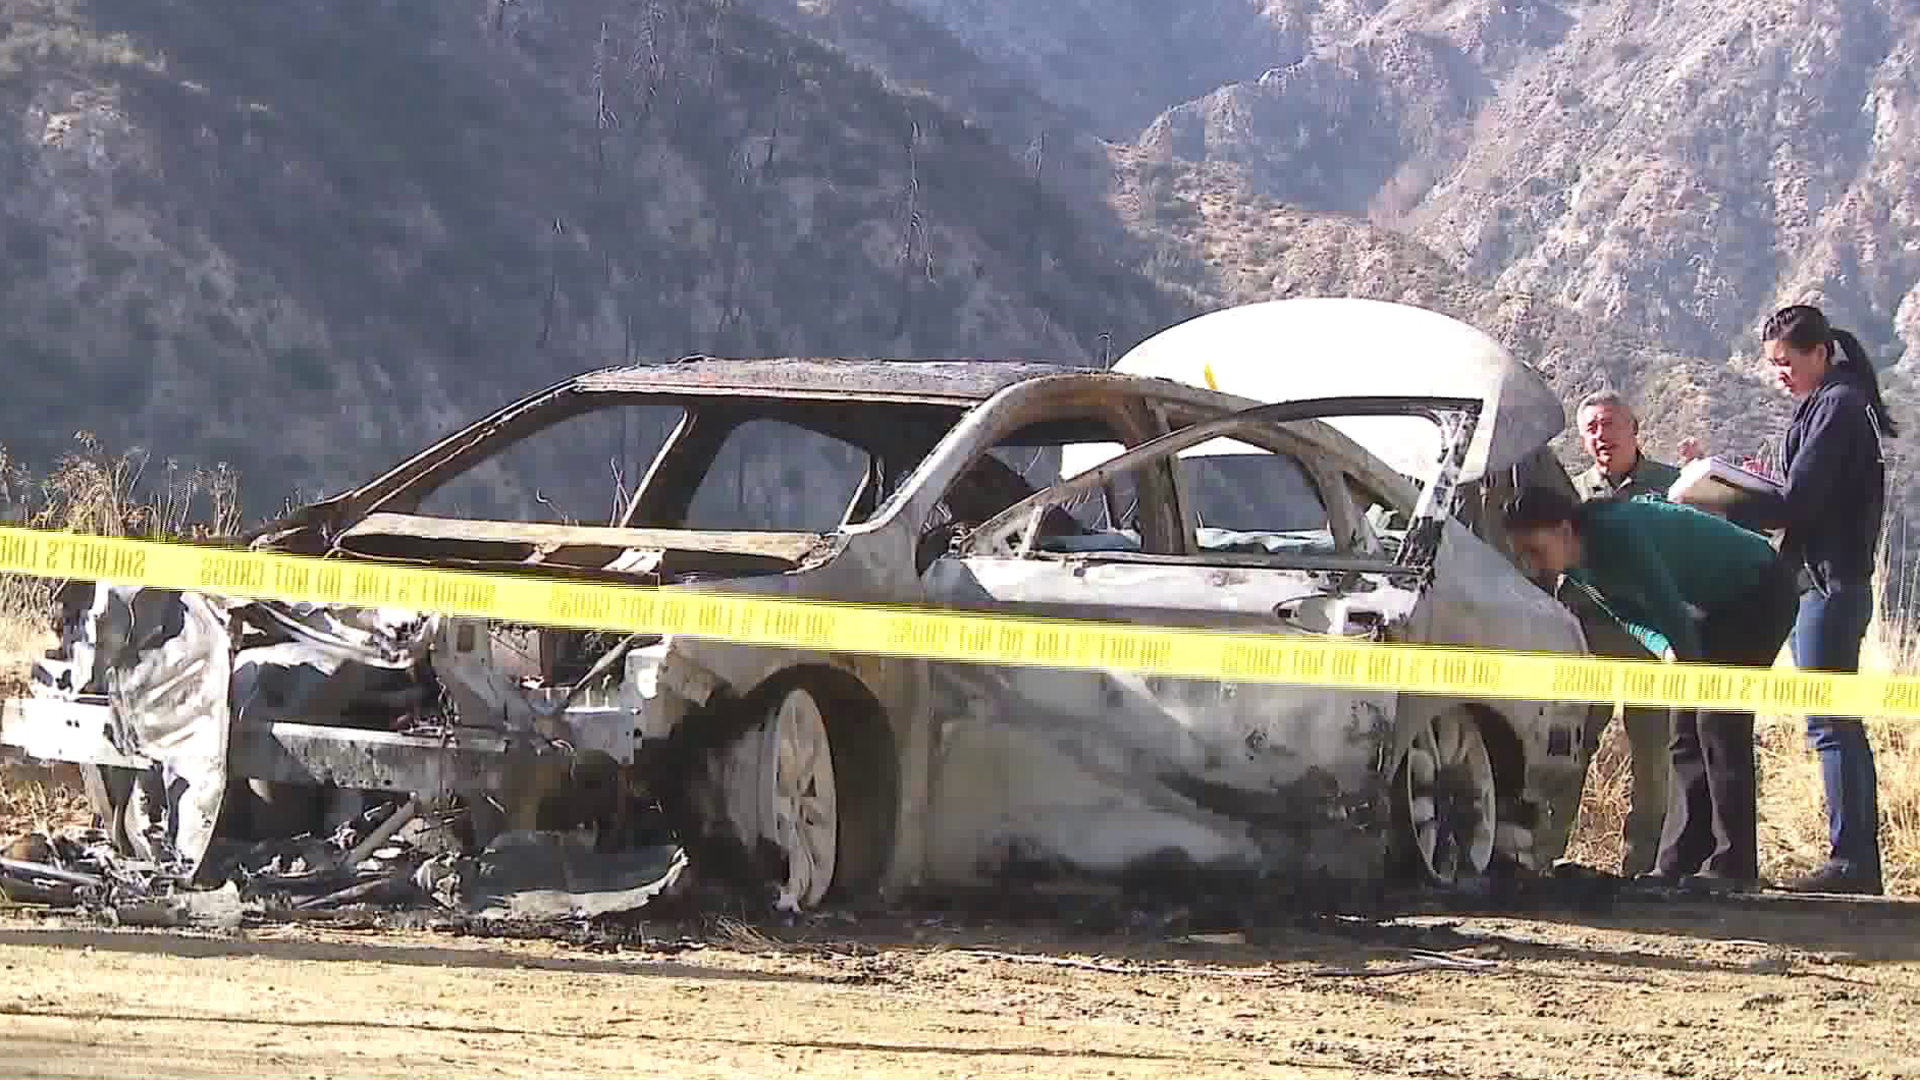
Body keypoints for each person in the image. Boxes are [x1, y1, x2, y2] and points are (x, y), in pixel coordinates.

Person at [1679, 304, 1895, 895]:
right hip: (1816, 580)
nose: (1780, 373)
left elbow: (1797, 501)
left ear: (1819, 354)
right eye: (1772, 365)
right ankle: (1848, 857)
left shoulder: (1837, 408)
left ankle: (1851, 862)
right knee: (1826, 719)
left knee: (1831, 721)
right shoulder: (1826, 407)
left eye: (1787, 362)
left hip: (1830, 581)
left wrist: (1727, 496)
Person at [1501, 485, 1800, 889]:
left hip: (1761, 590)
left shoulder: (1617, 531)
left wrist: (1688, 661)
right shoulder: (1576, 568)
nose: (1531, 562)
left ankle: (1735, 865)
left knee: (1719, 724)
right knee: (1684, 733)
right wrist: (1664, 649)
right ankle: (1679, 861)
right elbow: (1628, 616)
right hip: (1714, 609)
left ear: (1563, 529)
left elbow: (1664, 601)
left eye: (1534, 550)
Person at [1566, 389, 1680, 877]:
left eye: (1610, 424)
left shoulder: (1671, 485)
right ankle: (1547, 850)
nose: (1601, 436)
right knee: (1570, 746)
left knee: (1654, 756)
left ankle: (1644, 864)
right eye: (1591, 428)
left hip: (1651, 644)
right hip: (1586, 643)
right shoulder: (1571, 493)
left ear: (1635, 428)